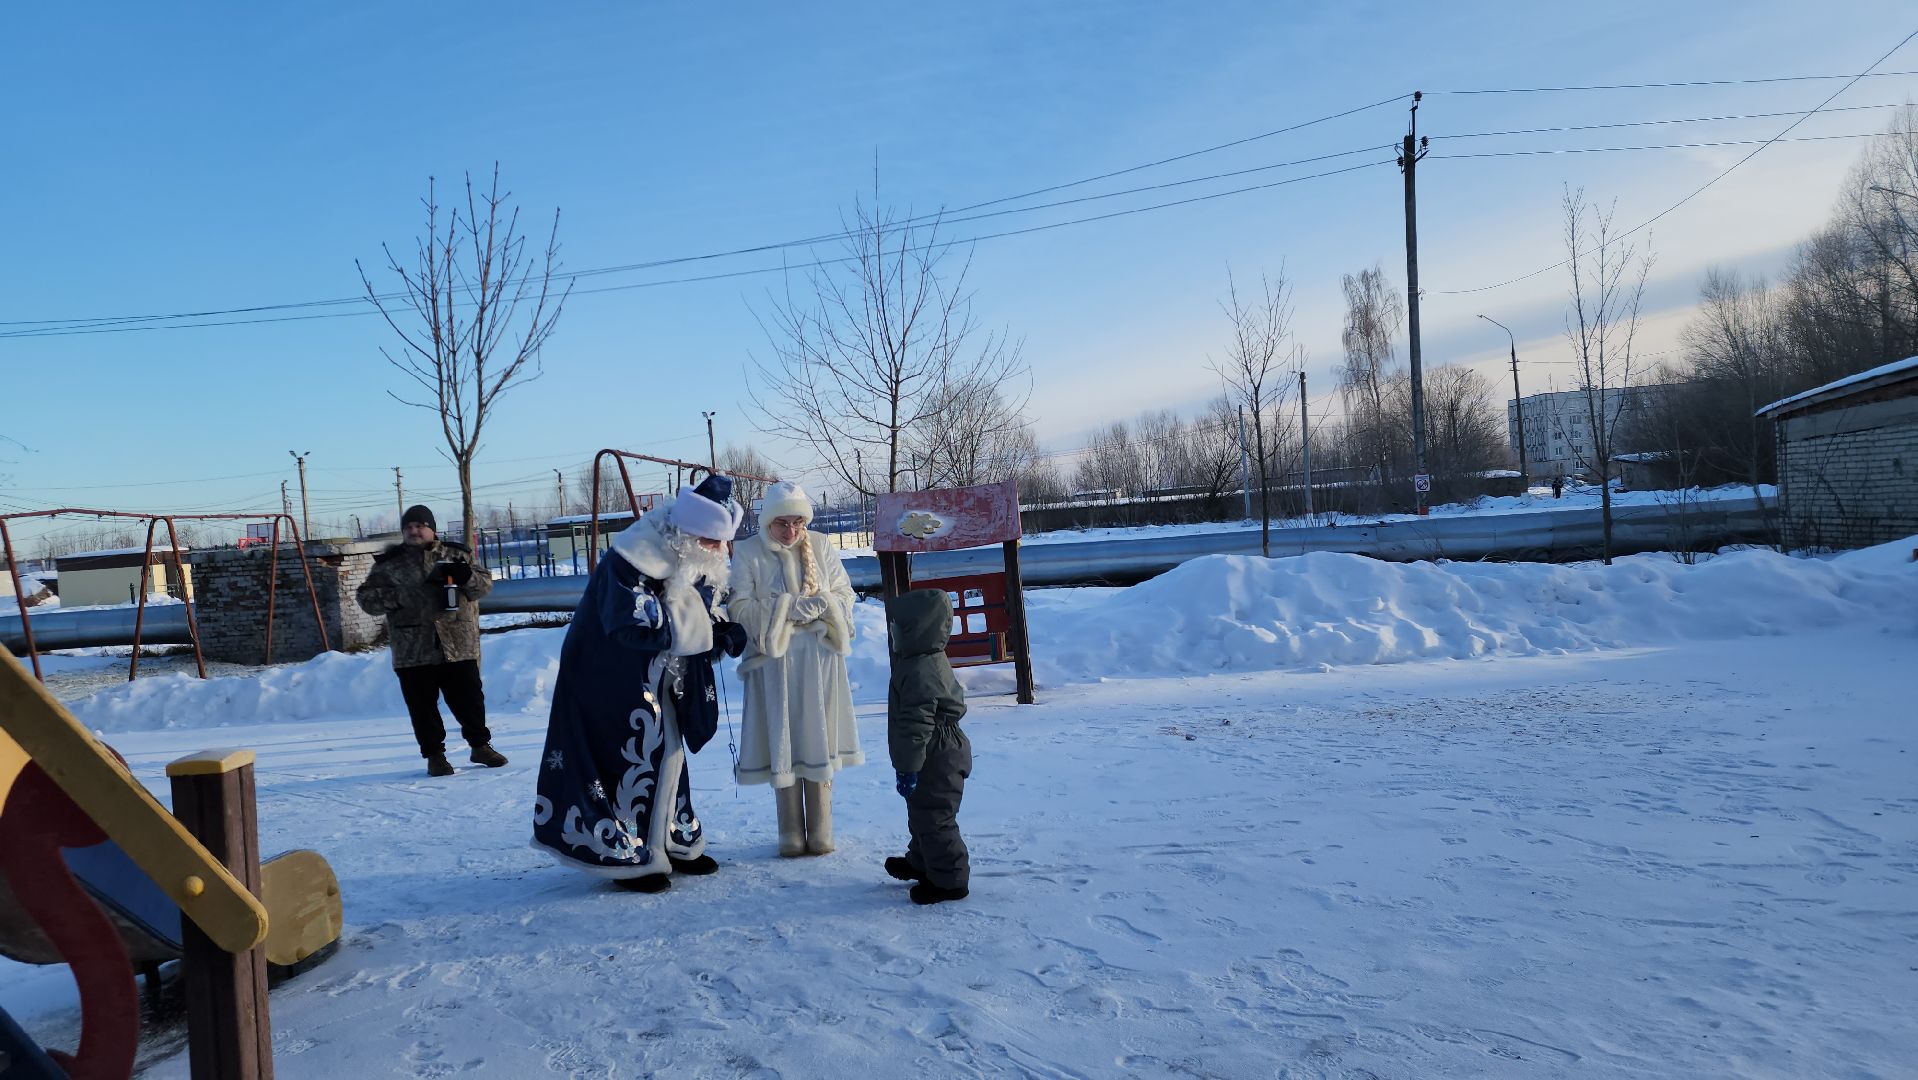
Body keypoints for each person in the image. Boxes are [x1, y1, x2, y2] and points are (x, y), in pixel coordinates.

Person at [531, 475, 749, 893]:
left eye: (722, 543)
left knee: (667, 752)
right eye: (712, 542)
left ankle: (669, 841)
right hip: (606, 677)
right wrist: (704, 632)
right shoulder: (632, 557)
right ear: (689, 532)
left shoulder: (690, 555)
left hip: (659, 676)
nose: (720, 551)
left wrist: (718, 629)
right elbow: (631, 623)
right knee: (627, 757)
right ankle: (625, 854)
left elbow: (696, 609)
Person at [727, 481, 861, 857]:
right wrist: (786, 610)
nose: (791, 531)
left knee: (818, 737)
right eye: (782, 523)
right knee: (782, 739)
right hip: (775, 666)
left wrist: (826, 607)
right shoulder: (748, 552)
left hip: (820, 662)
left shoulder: (820, 545)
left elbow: (844, 594)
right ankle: (789, 831)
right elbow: (739, 608)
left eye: (798, 523)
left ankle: (820, 830)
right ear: (768, 520)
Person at [355, 504, 506, 777]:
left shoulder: (456, 555)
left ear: (432, 529)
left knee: (470, 700)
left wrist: (467, 577)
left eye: (419, 526)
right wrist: (398, 597)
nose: (414, 531)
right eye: (408, 527)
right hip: (412, 648)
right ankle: (435, 756)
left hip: (457, 644)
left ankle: (480, 746)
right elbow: (366, 599)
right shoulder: (389, 565)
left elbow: (484, 586)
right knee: (422, 706)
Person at [883, 587, 971, 905]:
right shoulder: (922, 660)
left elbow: (916, 726)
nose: (893, 635)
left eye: (898, 629)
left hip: (937, 753)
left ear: (915, 630)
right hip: (936, 749)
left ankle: (949, 879)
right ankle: (923, 861)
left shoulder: (921, 670)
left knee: (935, 816)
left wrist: (907, 767)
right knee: (921, 812)